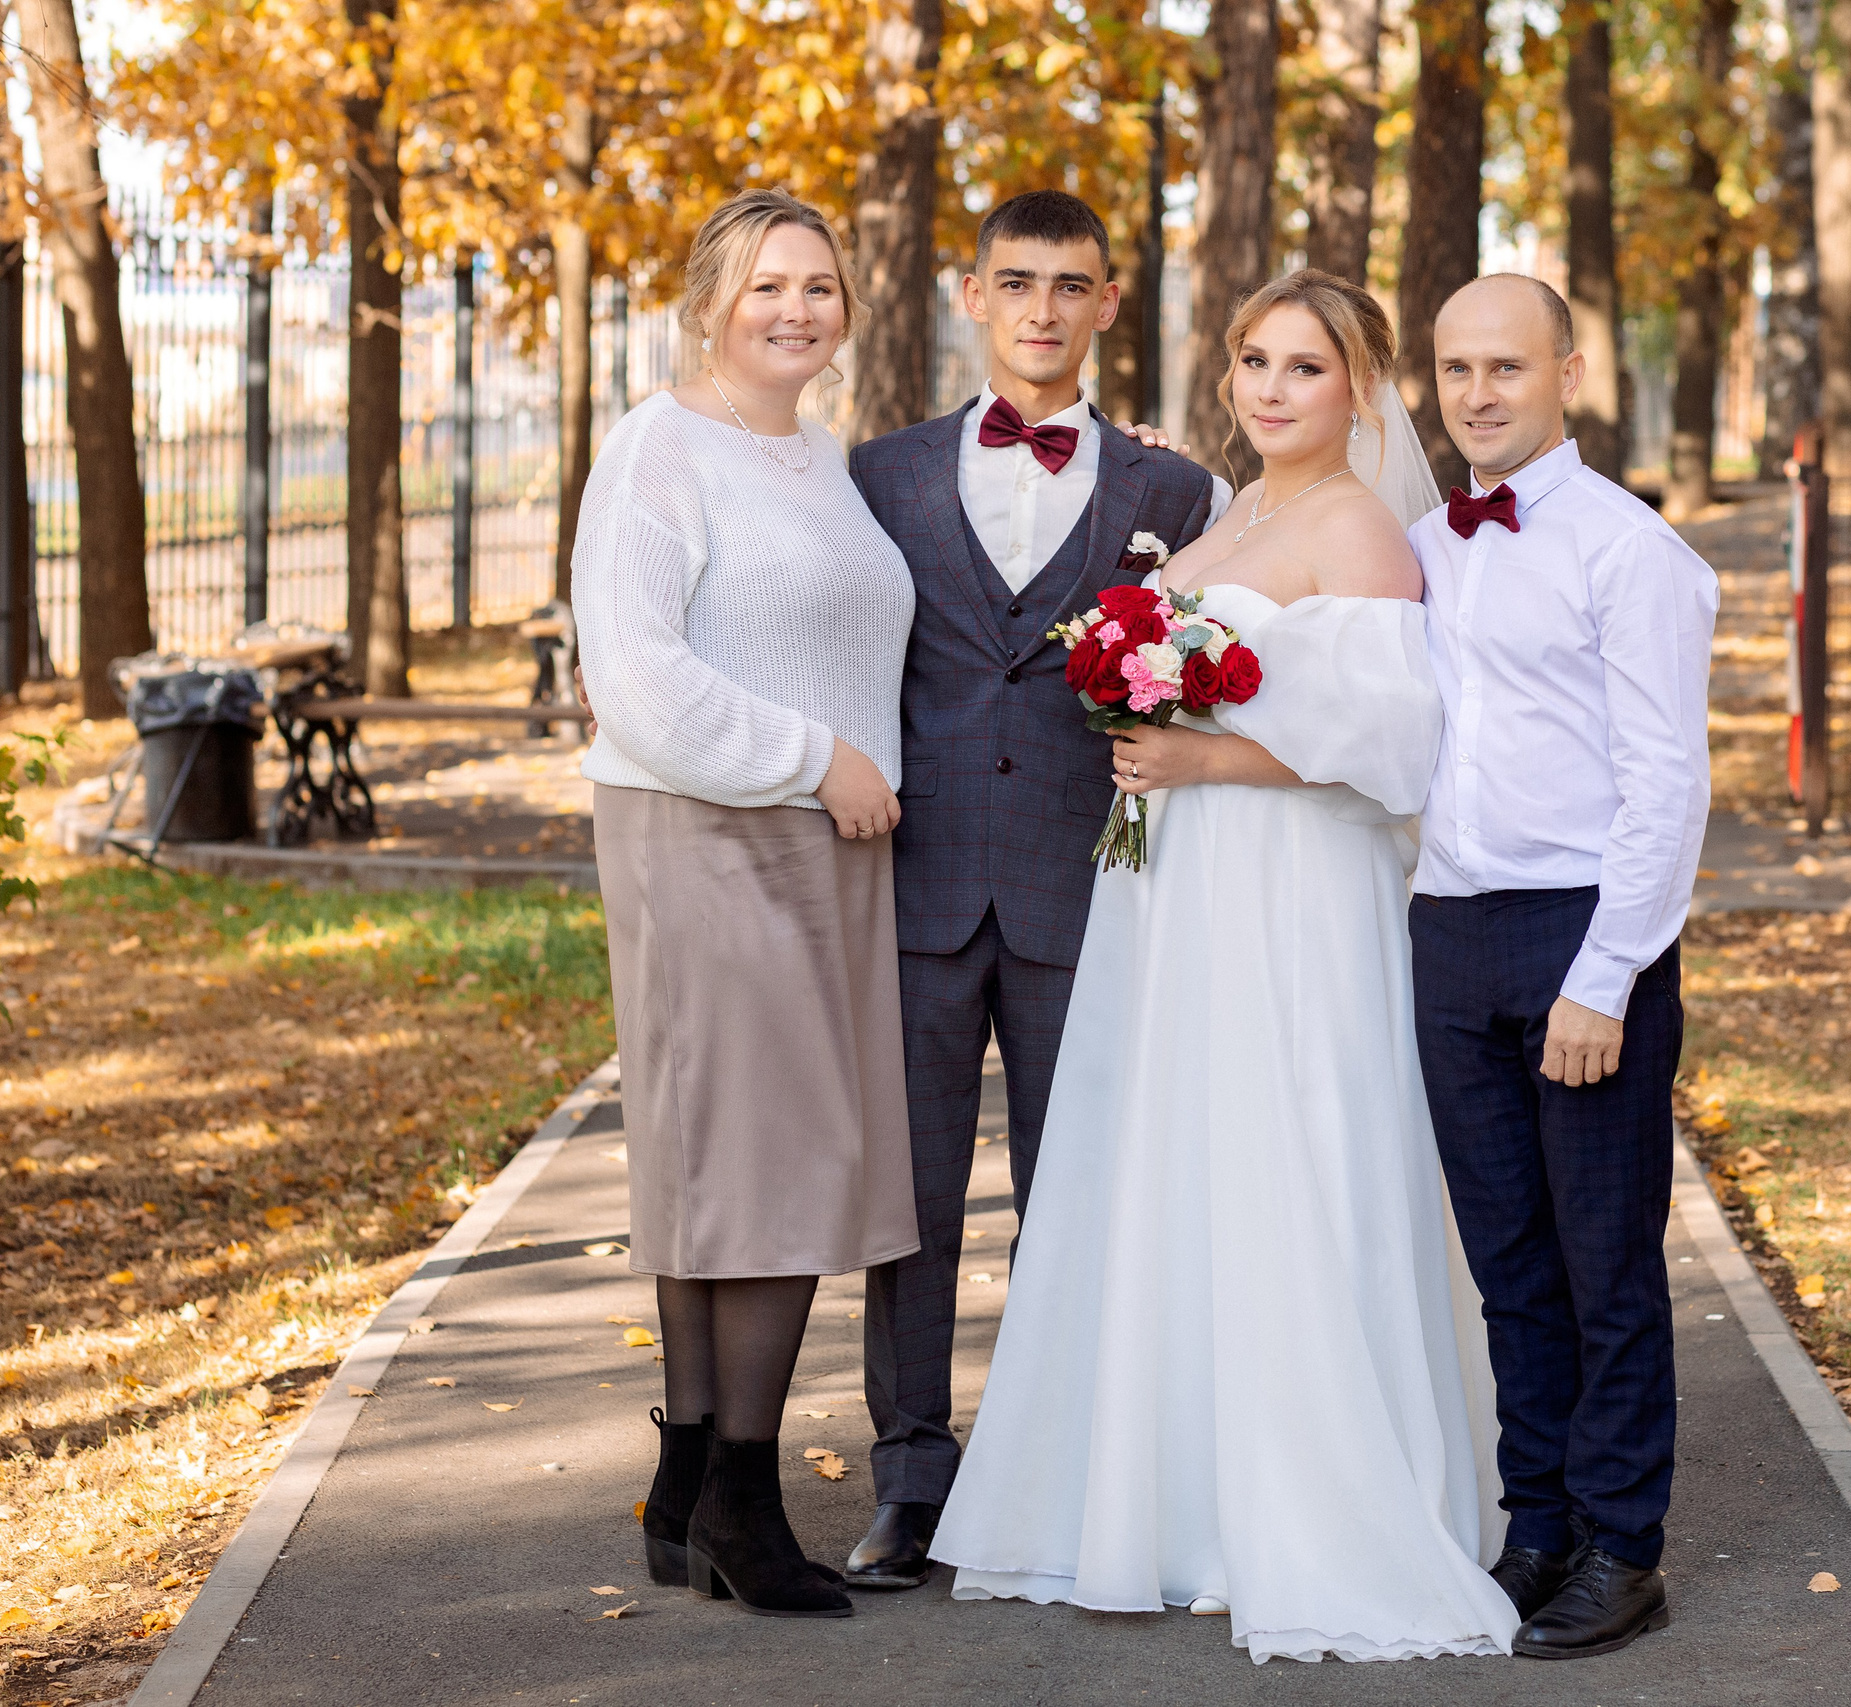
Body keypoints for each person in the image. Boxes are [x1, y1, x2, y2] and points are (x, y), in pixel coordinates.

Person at [927, 268, 1522, 1664]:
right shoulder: (1224, 513)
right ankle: (1177, 1498)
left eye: (1304, 368)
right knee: (1179, 1161)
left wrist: (1208, 756)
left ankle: (1313, 1502)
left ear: (1358, 388)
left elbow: (1394, 750)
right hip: (1177, 886)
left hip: (1291, 889)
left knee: (1288, 1154)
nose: (1270, 389)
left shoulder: (1362, 531)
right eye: (1253, 361)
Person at [843, 190, 1226, 1591]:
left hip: (1092, 892)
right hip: (920, 884)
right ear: (972, 294)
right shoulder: (874, 476)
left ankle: (1073, 1470)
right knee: (916, 1203)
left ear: (1110, 303)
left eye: (1073, 285)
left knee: (1080, 1198)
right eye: (1020, 282)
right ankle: (910, 1482)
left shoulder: (1174, 494)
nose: (1044, 310)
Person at [571, 188, 916, 1620]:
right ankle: (745, 1502)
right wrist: (813, 757)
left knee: (727, 1165)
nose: (797, 307)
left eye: (821, 286)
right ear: (709, 299)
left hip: (817, 842)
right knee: (769, 1168)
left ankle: (686, 1484)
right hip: (715, 827)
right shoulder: (661, 447)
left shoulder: (816, 455)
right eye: (768, 283)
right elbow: (638, 674)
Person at [1407, 275, 1716, 1659]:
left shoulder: (1627, 548)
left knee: (1606, 1262)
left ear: (1567, 373)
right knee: (1510, 1265)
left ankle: (1624, 1545)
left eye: (1507, 368)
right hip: (1450, 930)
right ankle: (1537, 1526)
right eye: (1459, 368)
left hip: (1584, 932)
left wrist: (1605, 976)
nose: (1480, 393)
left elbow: (1668, 784)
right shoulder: (1425, 541)